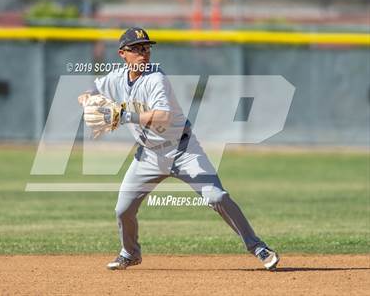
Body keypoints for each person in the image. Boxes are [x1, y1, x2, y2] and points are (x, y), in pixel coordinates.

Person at [87, 27, 279, 271]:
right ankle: (130, 253)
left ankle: (258, 247)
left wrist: (125, 116)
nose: (144, 53)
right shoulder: (116, 78)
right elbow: (91, 91)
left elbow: (164, 117)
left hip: (183, 150)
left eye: (147, 48)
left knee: (217, 197)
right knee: (123, 209)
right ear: (122, 54)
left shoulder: (155, 78)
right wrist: (88, 101)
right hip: (148, 155)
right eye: (137, 49)